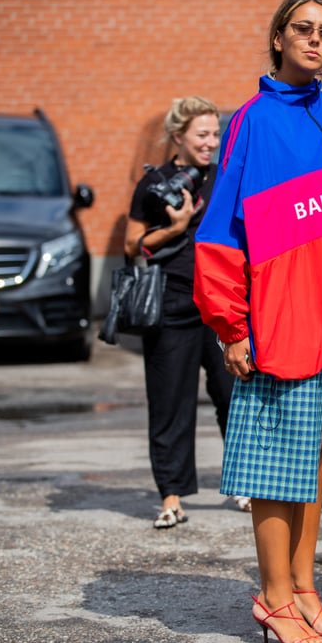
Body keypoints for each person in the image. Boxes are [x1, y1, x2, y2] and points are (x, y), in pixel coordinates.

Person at [193, 0, 322, 643]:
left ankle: (303, 586)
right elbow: (219, 235)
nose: (316, 41)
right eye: (303, 30)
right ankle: (273, 599)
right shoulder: (250, 121)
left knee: (314, 458)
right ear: (278, 38)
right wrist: (232, 327)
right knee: (277, 464)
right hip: (278, 323)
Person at [123, 96, 237, 530]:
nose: (211, 142)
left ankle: (242, 485)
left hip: (222, 304)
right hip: (172, 304)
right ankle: (171, 496)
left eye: (214, 134)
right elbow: (132, 244)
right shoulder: (155, 185)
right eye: (201, 135)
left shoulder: (226, 178)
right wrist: (173, 227)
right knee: (171, 403)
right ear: (178, 137)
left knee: (233, 398)